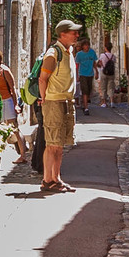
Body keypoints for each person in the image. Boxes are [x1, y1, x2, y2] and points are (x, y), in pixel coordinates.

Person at [37, 19, 84, 192]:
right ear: (63, 34)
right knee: (52, 144)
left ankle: (56, 179)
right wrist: (45, 99)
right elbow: (42, 79)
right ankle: (47, 180)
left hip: (66, 102)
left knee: (60, 143)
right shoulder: (53, 53)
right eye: (73, 32)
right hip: (54, 102)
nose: (77, 35)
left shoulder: (68, 51)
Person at [0, 47, 23, 160]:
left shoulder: (4, 70)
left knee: (14, 128)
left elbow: (13, 88)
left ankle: (22, 154)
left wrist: (16, 104)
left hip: (7, 101)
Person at [76, 35, 96, 114]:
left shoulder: (92, 52)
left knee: (89, 91)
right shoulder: (79, 54)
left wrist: (97, 72)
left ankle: (83, 103)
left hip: (90, 74)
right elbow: (77, 65)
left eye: (88, 45)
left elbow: (94, 62)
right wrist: (77, 75)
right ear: (82, 46)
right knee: (85, 91)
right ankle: (86, 108)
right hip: (82, 74)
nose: (87, 46)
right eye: (85, 45)